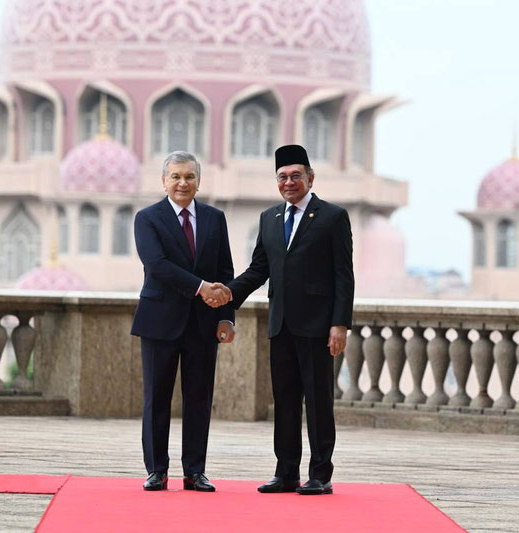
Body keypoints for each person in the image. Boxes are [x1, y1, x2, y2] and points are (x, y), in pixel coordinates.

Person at [227, 144, 354, 495]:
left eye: (296, 176)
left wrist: (339, 324)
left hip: (317, 327)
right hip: (280, 324)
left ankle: (321, 475)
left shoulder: (332, 217)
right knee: (284, 402)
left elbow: (344, 276)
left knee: (317, 402)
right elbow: (258, 270)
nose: (289, 182)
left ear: (310, 178)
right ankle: (286, 473)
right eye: (282, 177)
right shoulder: (269, 219)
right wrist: (227, 295)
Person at [131, 150, 235, 492]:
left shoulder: (215, 218)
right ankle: (157, 470)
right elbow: (156, 265)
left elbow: (225, 271)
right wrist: (201, 287)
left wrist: (226, 318)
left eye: (189, 176)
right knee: (157, 398)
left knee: (199, 398)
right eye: (175, 176)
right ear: (163, 181)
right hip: (160, 321)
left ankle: (195, 471)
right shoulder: (147, 219)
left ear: (198, 181)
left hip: (204, 324)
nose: (182, 183)